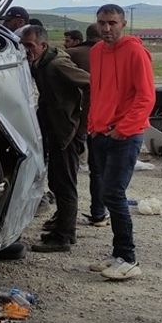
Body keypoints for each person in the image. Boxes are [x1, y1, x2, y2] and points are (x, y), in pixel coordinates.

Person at [85, 4, 154, 281]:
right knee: (106, 193)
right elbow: (97, 92)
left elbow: (146, 97)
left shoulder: (135, 51)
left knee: (113, 193)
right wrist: (93, 124)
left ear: (123, 23)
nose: (106, 28)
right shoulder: (96, 52)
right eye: (102, 22)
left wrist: (122, 128)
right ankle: (117, 255)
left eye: (112, 22)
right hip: (100, 133)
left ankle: (128, 258)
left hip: (124, 135)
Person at [21, 25, 91, 253]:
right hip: (57, 129)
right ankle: (62, 227)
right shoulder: (40, 63)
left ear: (43, 45)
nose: (26, 49)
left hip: (67, 133)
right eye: (23, 45)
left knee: (65, 184)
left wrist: (81, 123)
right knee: (57, 181)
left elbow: (92, 84)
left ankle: (64, 236)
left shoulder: (57, 64)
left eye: (30, 45)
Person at [68, 24, 107, 227]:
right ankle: (98, 212)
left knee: (68, 168)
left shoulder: (71, 54)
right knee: (98, 169)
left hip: (74, 119)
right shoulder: (108, 55)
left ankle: (66, 213)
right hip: (101, 119)